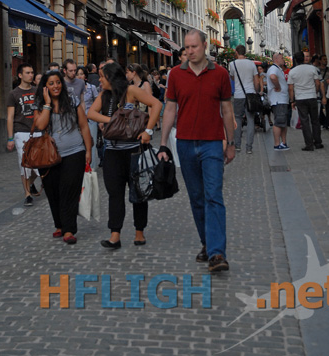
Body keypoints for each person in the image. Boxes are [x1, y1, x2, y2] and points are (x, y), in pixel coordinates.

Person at [159, 29, 236, 273]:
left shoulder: (220, 74)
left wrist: (230, 143)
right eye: (187, 47)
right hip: (185, 144)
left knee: (214, 196)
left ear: (205, 46)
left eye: (194, 47)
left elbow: (227, 110)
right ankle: (207, 243)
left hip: (212, 142)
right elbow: (170, 109)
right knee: (197, 198)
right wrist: (163, 143)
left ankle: (217, 253)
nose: (190, 51)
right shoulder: (175, 74)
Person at [88, 62, 162, 249]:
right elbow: (91, 113)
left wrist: (148, 131)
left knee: (139, 192)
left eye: (102, 77)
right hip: (112, 152)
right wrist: (112, 121)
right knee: (115, 194)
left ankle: (139, 232)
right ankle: (115, 234)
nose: (100, 80)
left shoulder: (130, 90)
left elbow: (156, 104)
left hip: (134, 151)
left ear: (111, 77)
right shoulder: (104, 95)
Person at [33, 69, 92, 243]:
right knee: (53, 192)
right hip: (48, 155)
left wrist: (88, 151)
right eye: (51, 83)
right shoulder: (39, 104)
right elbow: (40, 125)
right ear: (45, 87)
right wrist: (47, 103)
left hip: (74, 151)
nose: (56, 86)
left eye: (58, 82)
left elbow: (84, 126)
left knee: (69, 191)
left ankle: (69, 229)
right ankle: (59, 225)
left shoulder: (72, 101)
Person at [6, 64, 40, 206]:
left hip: (37, 131)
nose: (31, 75)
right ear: (20, 75)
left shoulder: (37, 91)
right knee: (25, 164)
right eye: (27, 72)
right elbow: (10, 116)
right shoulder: (14, 94)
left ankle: (30, 183)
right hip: (21, 131)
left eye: (32, 72)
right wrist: (10, 138)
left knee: (39, 165)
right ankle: (27, 194)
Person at [288, 51, 326, 150]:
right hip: (312, 96)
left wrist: (292, 100)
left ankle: (309, 144)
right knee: (315, 120)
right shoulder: (313, 69)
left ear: (295, 60)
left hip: (300, 98)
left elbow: (291, 88)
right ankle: (318, 142)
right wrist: (315, 92)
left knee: (304, 121)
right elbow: (317, 83)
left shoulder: (292, 72)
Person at [229, 44, 260, 154]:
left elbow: (232, 77)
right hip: (250, 94)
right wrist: (256, 91)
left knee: (237, 119)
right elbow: (256, 81)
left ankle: (237, 145)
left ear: (236, 52)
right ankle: (249, 147)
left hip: (238, 95)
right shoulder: (251, 64)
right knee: (250, 120)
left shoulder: (232, 64)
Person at [76, 65, 100, 170]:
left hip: (90, 120)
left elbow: (97, 102)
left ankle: (92, 169)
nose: (79, 76)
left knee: (91, 144)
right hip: (77, 121)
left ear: (85, 76)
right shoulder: (72, 89)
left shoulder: (92, 88)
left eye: (81, 74)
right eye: (77, 74)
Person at [266, 53, 290, 150]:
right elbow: (272, 77)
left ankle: (283, 142)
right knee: (279, 122)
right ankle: (277, 144)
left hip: (282, 99)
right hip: (278, 99)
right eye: (281, 58)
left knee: (283, 122)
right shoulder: (273, 68)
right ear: (276, 59)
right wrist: (278, 86)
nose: (283, 59)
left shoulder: (278, 69)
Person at [319, 54, 329, 130]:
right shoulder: (317, 70)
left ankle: (328, 123)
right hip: (320, 92)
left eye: (326, 59)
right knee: (320, 108)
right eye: (324, 59)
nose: (326, 61)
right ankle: (322, 123)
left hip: (328, 91)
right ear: (320, 61)